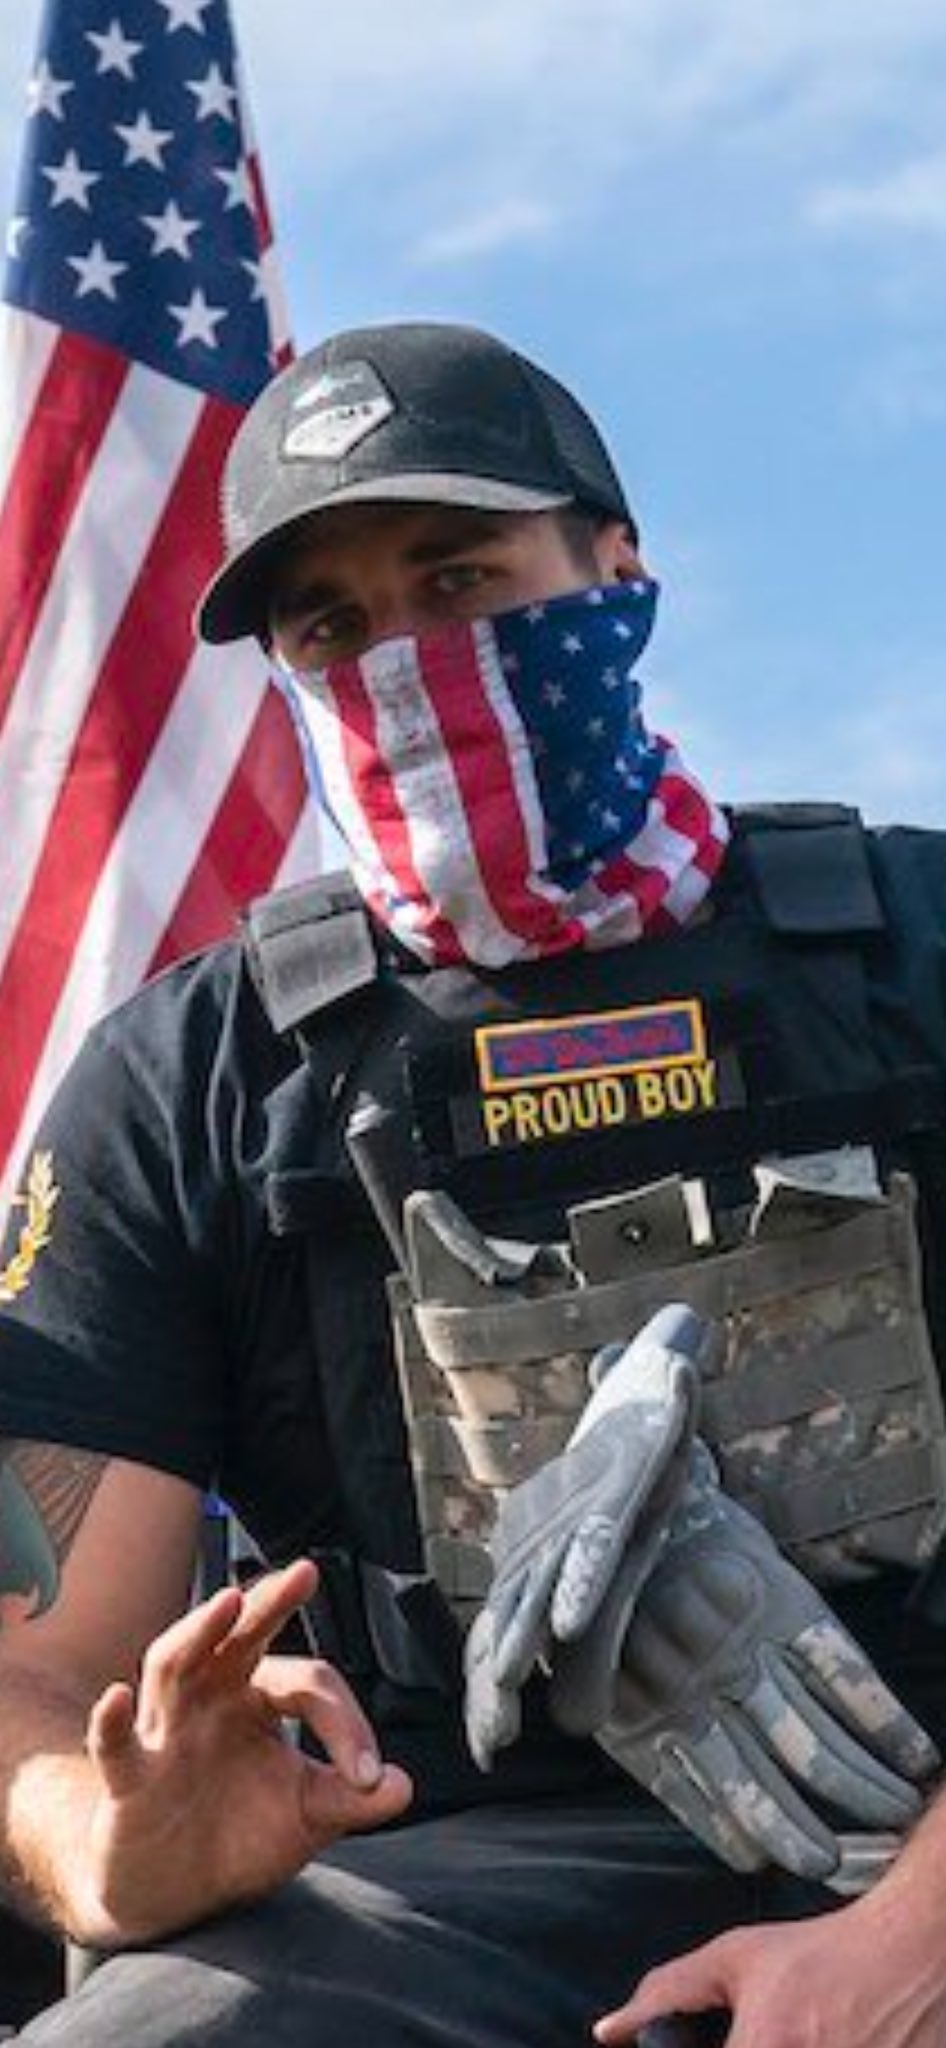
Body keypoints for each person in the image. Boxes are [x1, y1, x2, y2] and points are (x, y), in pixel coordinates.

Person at [2, 318, 946, 2048]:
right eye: (332, 627)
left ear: (614, 565)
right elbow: (32, 1673)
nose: (407, 659)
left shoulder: (917, 944)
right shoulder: (189, 1081)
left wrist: (916, 1942)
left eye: (458, 581)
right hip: (458, 1870)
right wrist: (114, 1846)